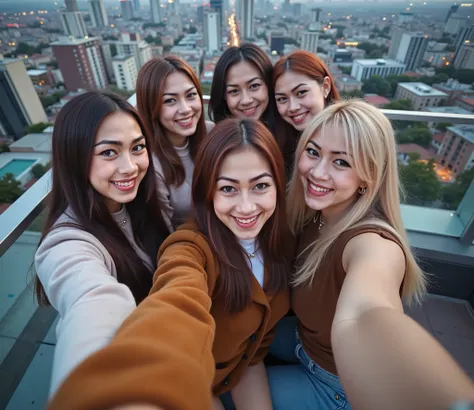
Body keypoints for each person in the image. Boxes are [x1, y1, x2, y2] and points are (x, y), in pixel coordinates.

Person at [47, 119, 294, 410]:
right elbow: (176, 302)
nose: (246, 206)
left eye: (260, 186)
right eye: (228, 189)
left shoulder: (281, 240)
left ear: (279, 185)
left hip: (243, 371)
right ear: (207, 192)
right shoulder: (191, 248)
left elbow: (253, 355)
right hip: (198, 384)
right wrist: (127, 384)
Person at [267, 100, 474, 410]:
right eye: (313, 152)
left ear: (368, 175)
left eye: (341, 162)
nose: (317, 172)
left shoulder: (372, 243)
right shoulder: (317, 214)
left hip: (331, 385)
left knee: (215, 389)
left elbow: (366, 312)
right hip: (304, 340)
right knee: (229, 341)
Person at [34, 92, 169, 396]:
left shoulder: (140, 200)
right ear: (75, 157)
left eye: (138, 148)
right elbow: (93, 300)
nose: (130, 166)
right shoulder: (67, 242)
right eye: (109, 153)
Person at [136, 56, 214, 231]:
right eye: (170, 100)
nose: (186, 109)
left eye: (191, 95)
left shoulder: (212, 133)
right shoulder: (151, 163)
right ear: (151, 107)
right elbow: (165, 230)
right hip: (191, 246)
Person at [273, 50, 340, 173]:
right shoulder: (279, 146)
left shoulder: (351, 138)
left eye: (301, 92)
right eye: (282, 99)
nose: (293, 107)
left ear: (325, 87)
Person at [208, 43, 275, 130]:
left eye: (254, 86)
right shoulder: (217, 140)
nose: (246, 100)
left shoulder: (289, 135)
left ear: (268, 84)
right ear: (223, 96)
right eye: (234, 91)